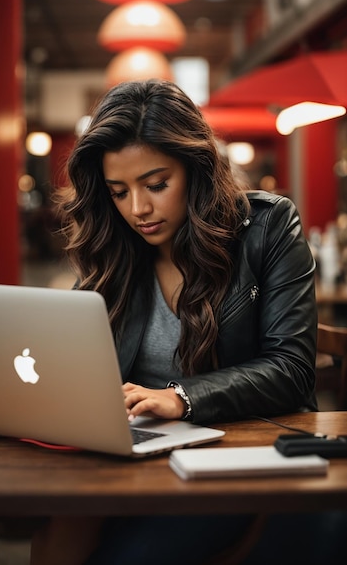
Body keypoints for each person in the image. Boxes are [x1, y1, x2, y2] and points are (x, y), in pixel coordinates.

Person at [30, 79, 318, 565]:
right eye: (119, 192)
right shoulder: (115, 249)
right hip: (133, 454)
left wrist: (182, 398)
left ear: (196, 168)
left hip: (231, 455)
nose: (138, 209)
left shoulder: (268, 228)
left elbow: (292, 368)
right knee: (56, 532)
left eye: (156, 185)